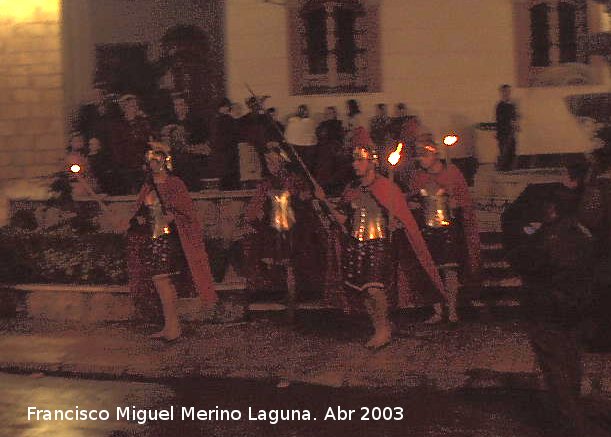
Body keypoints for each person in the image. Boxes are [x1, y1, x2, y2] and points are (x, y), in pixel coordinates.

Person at [315, 141, 446, 349]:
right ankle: (380, 326)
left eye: (360, 160)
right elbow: (342, 221)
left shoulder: (387, 187)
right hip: (357, 245)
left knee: (375, 289)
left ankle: (383, 330)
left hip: (380, 245)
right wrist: (324, 202)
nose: (355, 165)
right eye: (353, 160)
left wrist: (396, 223)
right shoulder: (352, 190)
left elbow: (404, 218)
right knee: (364, 291)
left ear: (371, 162)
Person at [502, 164, 601, 436]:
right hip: (575, 306)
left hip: (548, 308)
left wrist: (530, 237)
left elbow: (527, 262)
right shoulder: (580, 231)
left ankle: (570, 422)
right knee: (570, 360)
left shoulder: (550, 237)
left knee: (556, 366)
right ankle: (573, 412)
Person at [127, 142, 217, 341]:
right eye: (151, 160)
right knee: (160, 283)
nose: (153, 164)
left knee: (164, 281)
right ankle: (170, 326)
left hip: (168, 240)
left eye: (157, 160)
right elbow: (139, 211)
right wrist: (138, 219)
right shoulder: (148, 186)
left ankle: (174, 328)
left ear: (165, 161)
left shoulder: (175, 184)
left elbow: (187, 212)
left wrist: (172, 217)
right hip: (153, 239)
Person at [243, 146, 326, 308]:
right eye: (268, 161)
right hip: (273, 229)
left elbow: (306, 197)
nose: (270, 164)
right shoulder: (265, 184)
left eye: (274, 160)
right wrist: (253, 217)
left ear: (282, 160)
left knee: (293, 264)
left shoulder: (294, 180)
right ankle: (285, 296)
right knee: (276, 264)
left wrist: (304, 193)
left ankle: (294, 297)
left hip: (295, 229)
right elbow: (254, 208)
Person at [410, 141, 481, 323]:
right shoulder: (419, 177)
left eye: (425, 156)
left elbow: (464, 200)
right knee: (432, 271)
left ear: (435, 155)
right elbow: (412, 199)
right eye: (420, 157)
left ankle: (452, 310)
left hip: (448, 229)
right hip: (428, 229)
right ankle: (438, 311)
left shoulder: (452, 173)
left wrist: (455, 203)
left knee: (450, 270)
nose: (422, 160)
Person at [161, 93, 210, 191]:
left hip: (192, 164)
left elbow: (205, 145)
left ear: (186, 106)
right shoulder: (169, 122)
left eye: (180, 104)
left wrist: (190, 148)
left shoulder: (197, 123)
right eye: (176, 105)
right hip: (175, 163)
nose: (178, 108)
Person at [285, 104, 318, 172]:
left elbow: (286, 136)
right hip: (307, 149)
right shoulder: (311, 122)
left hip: (295, 148)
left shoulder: (292, 121)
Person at [495, 84, 519, 171]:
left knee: (512, 150)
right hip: (503, 133)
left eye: (508, 91)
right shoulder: (500, 106)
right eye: (505, 91)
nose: (507, 93)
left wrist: (515, 125)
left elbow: (513, 117)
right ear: (502, 93)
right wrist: (511, 123)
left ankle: (509, 168)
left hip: (510, 132)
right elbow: (501, 120)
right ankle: (504, 168)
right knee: (505, 151)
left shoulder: (511, 105)